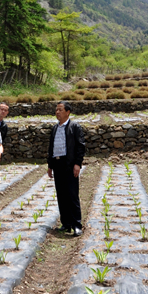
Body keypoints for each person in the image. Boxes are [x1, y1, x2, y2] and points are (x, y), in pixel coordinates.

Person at [47, 101, 85, 236]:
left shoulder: (74, 127)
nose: (57, 112)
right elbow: (51, 148)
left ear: (68, 112)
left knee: (72, 195)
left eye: (60, 110)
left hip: (69, 164)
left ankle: (76, 224)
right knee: (61, 195)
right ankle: (66, 223)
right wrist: (50, 165)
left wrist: (77, 163)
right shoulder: (55, 128)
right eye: (56, 110)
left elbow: (80, 147)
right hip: (57, 164)